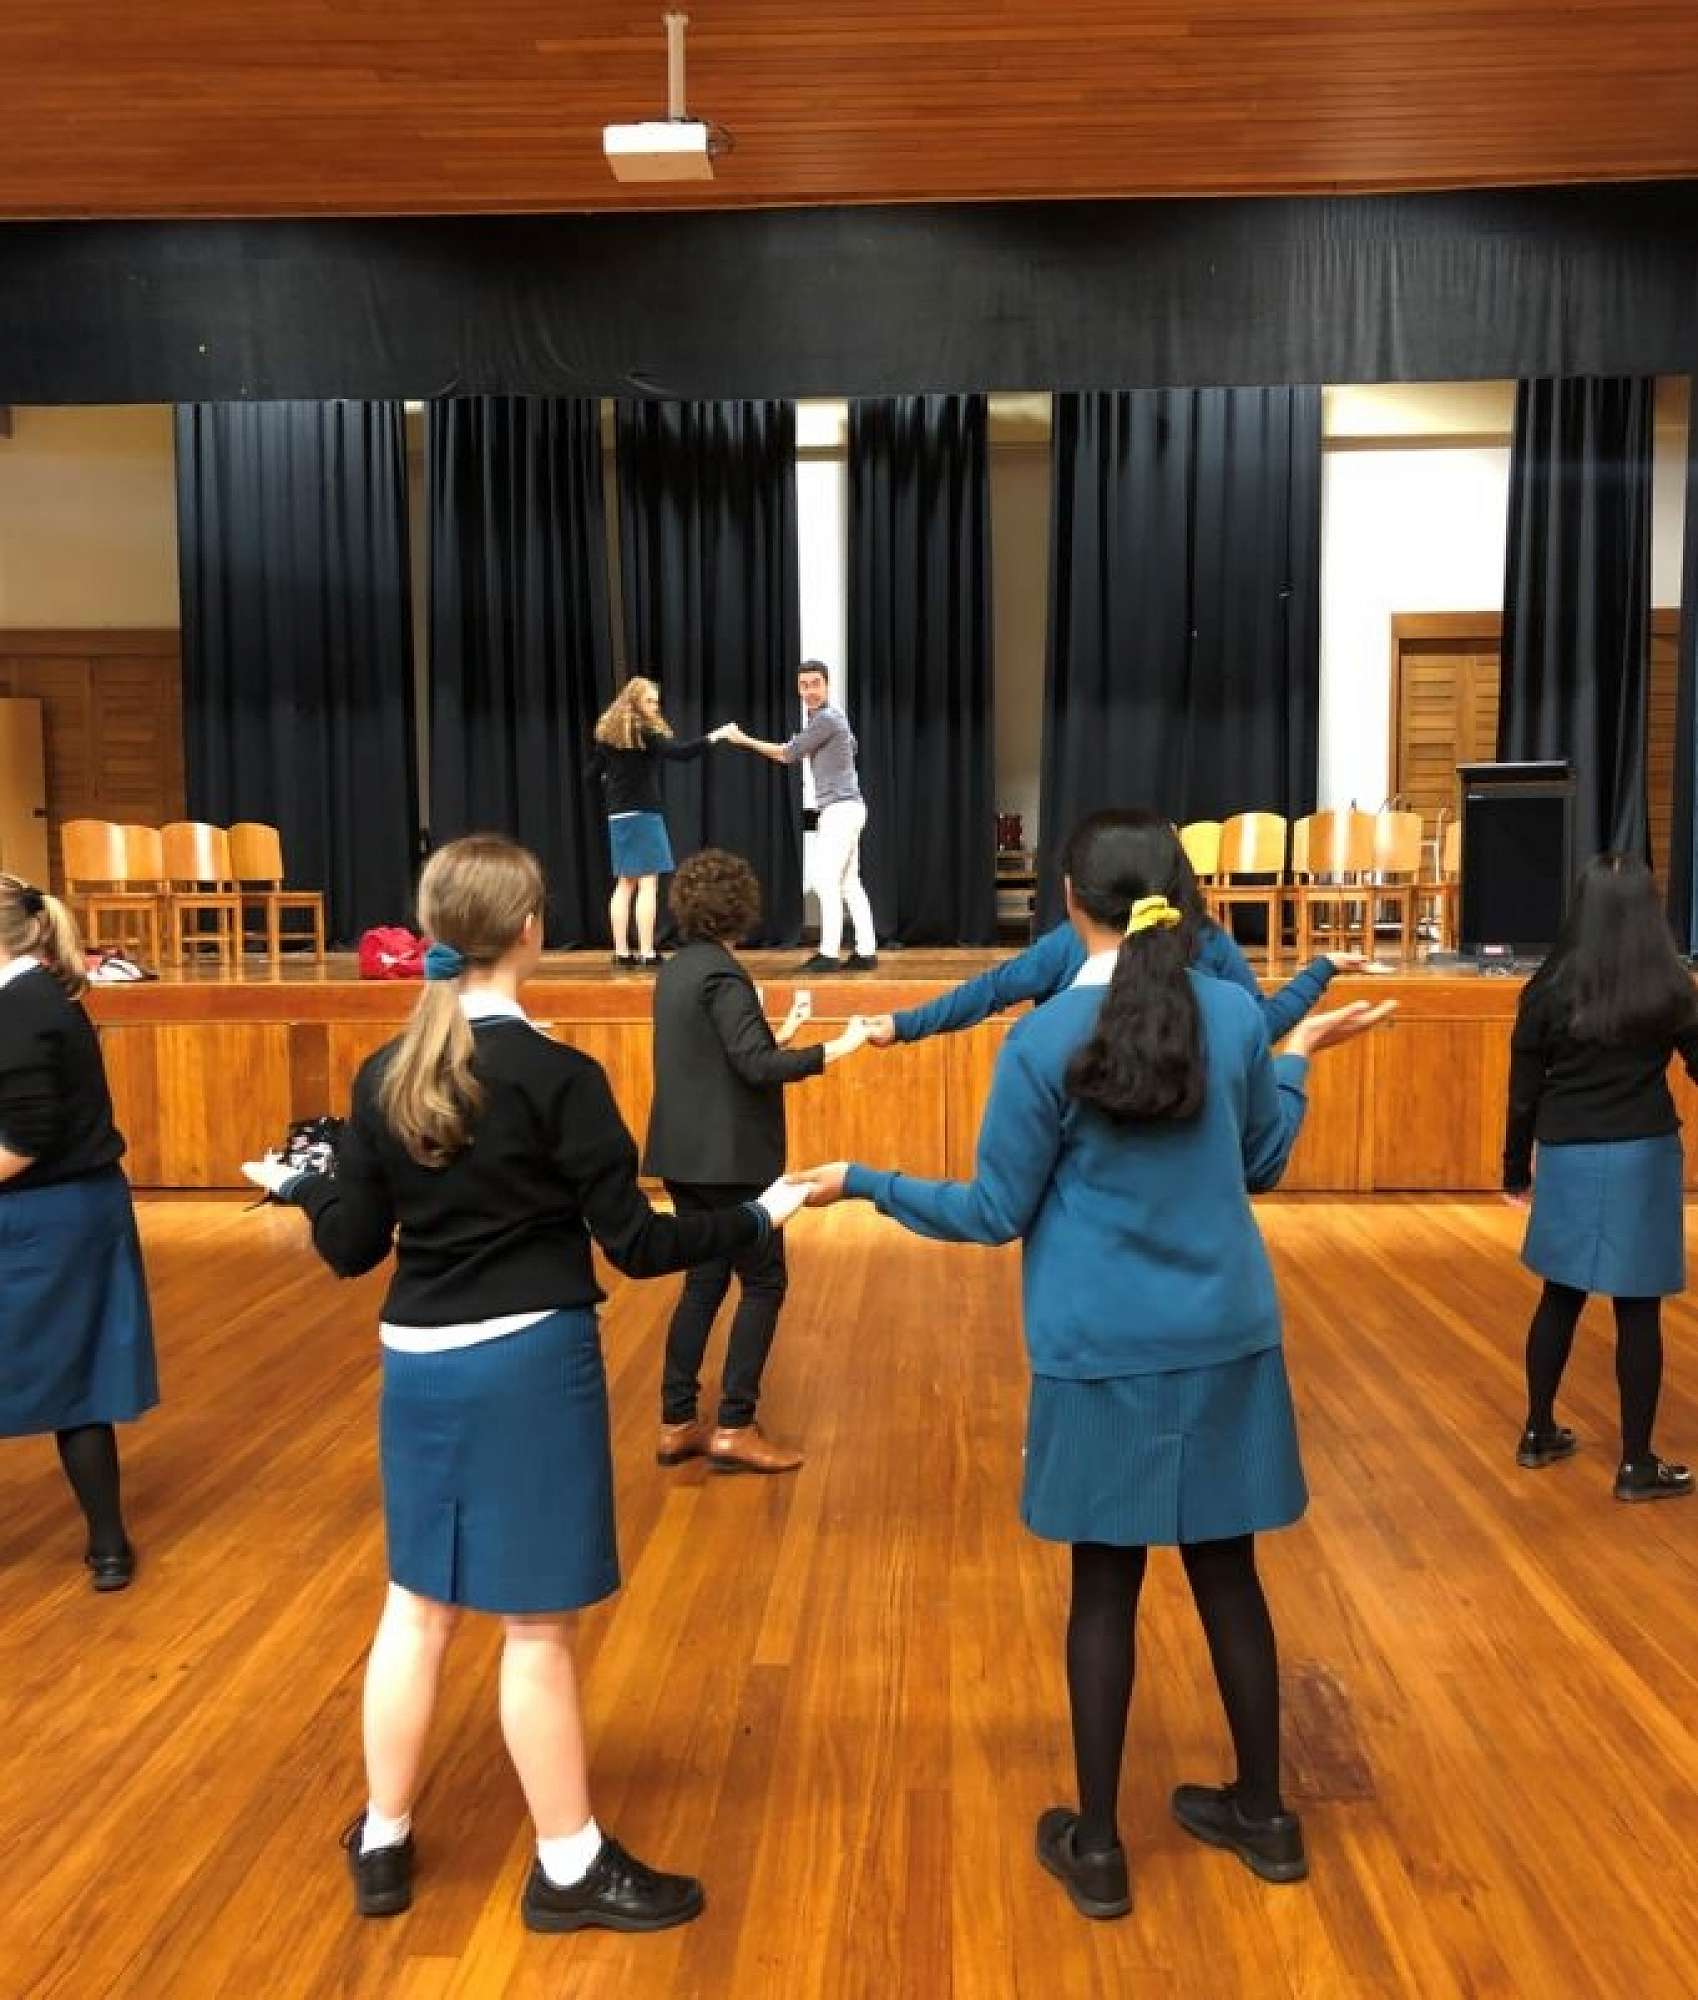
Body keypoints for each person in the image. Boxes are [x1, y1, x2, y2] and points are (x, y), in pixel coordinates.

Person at [788, 811, 1394, 1920]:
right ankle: (1265, 1817)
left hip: (1099, 1346)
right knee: (1229, 1574)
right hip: (1227, 1336)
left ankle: (1101, 1846)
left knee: (1104, 1589)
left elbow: (991, 1212)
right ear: (1181, 895)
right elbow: (1262, 1163)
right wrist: (1299, 1059)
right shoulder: (1232, 1015)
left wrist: (864, 1182)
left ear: (1070, 902)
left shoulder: (1042, 1041)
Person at [243, 835, 808, 1935]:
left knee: (417, 1608)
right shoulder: (560, 1077)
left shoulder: (386, 1073)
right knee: (535, 1628)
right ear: (532, 928)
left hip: (417, 1367)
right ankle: (567, 1863)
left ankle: (383, 1836)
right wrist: (761, 1214)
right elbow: (639, 1246)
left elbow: (353, 1245)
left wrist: (304, 1187)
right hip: (528, 1366)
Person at [645, 848, 870, 1475]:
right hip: (732, 1162)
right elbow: (757, 1067)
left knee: (703, 1280)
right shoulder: (724, 976)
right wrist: (839, 1047)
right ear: (740, 908)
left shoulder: (678, 970)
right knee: (764, 1281)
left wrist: (782, 1032)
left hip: (683, 1155)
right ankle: (735, 1426)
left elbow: (719, 1056)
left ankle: (677, 1422)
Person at [1504, 852, 1698, 1502]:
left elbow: (1523, 1095)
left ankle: (1537, 1431)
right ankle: (1637, 1464)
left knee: (1560, 1295)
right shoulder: (1670, 989)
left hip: (1568, 1153)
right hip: (1643, 1154)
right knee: (1638, 1308)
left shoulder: (1547, 990)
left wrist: (1514, 1169)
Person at [861, 806, 1366, 1050]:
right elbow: (1261, 1025)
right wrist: (1319, 973)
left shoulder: (1070, 946)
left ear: (1075, 893)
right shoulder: (1205, 938)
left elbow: (991, 991)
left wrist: (903, 1025)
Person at [0, 874, 158, 1592]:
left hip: (44, 1217)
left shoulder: (21, 1009)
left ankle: (109, 1544)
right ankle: (108, 1547)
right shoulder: (38, 996)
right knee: (81, 1385)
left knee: (76, 1383)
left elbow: (27, 1137)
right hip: (69, 1212)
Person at [719, 660, 878, 974]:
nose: (810, 691)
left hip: (840, 810)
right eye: (804, 685)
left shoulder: (827, 719)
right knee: (849, 882)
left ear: (827, 685)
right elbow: (852, 746)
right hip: (848, 808)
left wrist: (742, 740)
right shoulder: (828, 719)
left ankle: (829, 953)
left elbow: (787, 754)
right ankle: (866, 950)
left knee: (826, 880)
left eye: (816, 683)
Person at [588, 676, 726, 968]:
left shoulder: (609, 736)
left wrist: (613, 781)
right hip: (644, 814)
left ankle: (622, 952)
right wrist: (715, 736)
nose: (654, 707)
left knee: (625, 883)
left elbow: (590, 775)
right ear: (635, 702)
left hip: (618, 816)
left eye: (656, 702)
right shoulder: (645, 732)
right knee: (648, 883)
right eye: (649, 701)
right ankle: (647, 952)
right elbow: (681, 753)